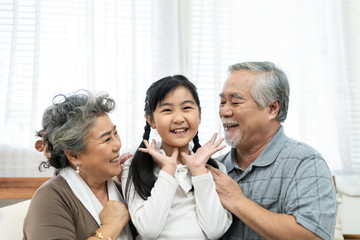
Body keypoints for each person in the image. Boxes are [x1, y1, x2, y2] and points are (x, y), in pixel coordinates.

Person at [207, 61, 337, 240]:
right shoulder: (214, 167)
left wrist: (237, 201)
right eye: (222, 102)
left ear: (272, 108)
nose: (224, 111)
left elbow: (312, 236)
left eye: (235, 102)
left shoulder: (305, 162)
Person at [121, 75, 232, 239]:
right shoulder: (134, 165)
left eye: (187, 108)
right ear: (151, 119)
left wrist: (198, 170)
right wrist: (167, 171)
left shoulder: (215, 169)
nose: (179, 118)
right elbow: (148, 230)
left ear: (199, 115)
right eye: (167, 110)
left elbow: (214, 230)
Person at [23, 90, 134, 240]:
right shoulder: (50, 198)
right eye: (107, 139)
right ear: (74, 155)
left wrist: (135, 184)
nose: (118, 145)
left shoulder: (124, 190)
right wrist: (111, 227)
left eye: (116, 133)